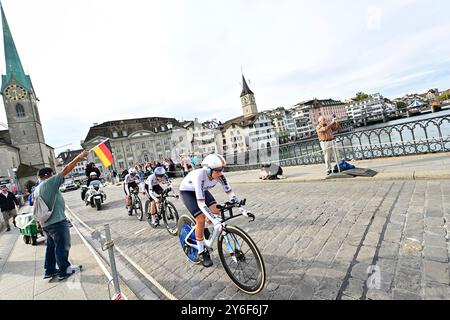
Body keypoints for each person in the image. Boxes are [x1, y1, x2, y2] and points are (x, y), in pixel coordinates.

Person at [179, 154, 240, 268]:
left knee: (216, 211)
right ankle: (202, 252)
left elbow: (230, 193)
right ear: (208, 170)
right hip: (188, 192)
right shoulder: (200, 176)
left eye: (222, 170)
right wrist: (213, 220)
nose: (221, 173)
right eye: (218, 170)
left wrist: (241, 207)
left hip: (202, 190)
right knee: (201, 219)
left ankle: (205, 233)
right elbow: (201, 203)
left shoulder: (219, 176)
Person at [35, 150, 89, 280]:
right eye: (53, 174)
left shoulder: (38, 188)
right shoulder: (49, 183)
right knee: (62, 246)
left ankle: (50, 270)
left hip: (46, 223)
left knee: (51, 247)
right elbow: (65, 170)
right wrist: (79, 157)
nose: (55, 176)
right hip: (56, 222)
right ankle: (64, 271)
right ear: (48, 175)